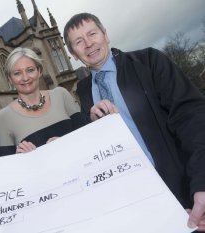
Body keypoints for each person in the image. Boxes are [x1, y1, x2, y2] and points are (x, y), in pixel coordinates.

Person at [63, 12, 205, 231]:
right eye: (79, 42)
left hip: (183, 192)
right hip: (134, 207)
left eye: (92, 34)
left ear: (105, 35)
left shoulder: (149, 61)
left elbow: (192, 119)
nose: (89, 43)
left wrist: (201, 182)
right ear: (73, 53)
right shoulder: (82, 91)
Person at [0, 47, 85, 154]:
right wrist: (19, 158)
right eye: (17, 73)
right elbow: (7, 166)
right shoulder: (3, 117)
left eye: (30, 70)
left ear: (39, 71)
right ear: (10, 78)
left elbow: (87, 136)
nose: (25, 78)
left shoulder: (61, 95)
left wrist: (65, 143)